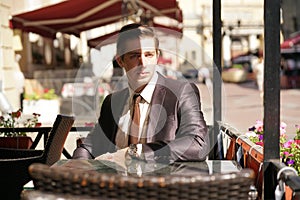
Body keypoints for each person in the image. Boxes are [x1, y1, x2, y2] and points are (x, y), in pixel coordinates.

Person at [72, 23, 209, 164]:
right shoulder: (113, 101)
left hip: (163, 183)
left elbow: (198, 144)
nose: (143, 63)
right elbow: (89, 146)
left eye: (148, 54)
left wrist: (137, 151)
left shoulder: (181, 92)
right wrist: (78, 162)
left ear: (157, 56)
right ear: (120, 60)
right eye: (134, 56)